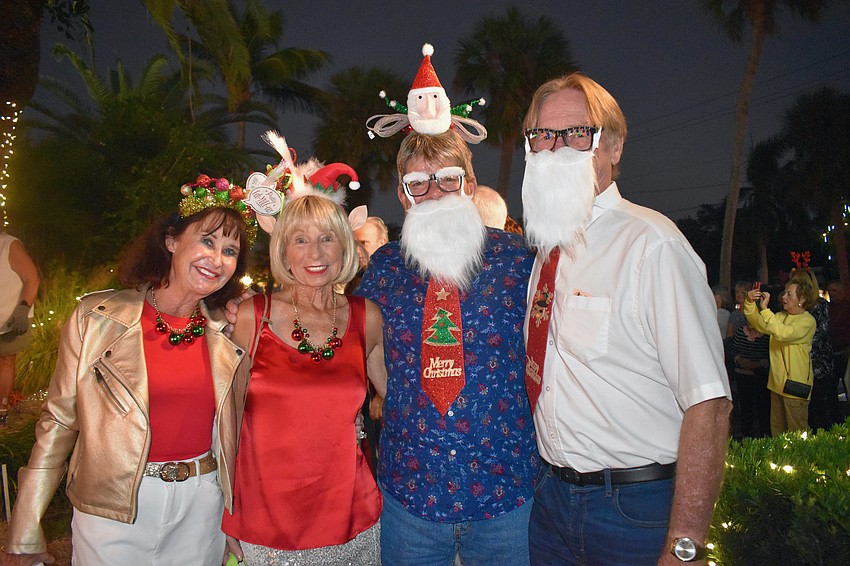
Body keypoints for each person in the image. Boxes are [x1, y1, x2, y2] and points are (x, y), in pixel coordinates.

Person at [520, 72, 732, 565]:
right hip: (549, 500)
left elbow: (710, 404)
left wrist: (685, 547)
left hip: (633, 510)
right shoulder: (545, 252)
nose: (557, 149)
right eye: (543, 135)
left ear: (612, 147)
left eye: (577, 133)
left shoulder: (651, 245)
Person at [2, 174, 255, 566]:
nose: (217, 259)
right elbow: (58, 423)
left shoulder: (230, 334)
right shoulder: (97, 318)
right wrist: (24, 525)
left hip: (202, 509)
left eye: (230, 250)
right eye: (207, 240)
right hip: (112, 511)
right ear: (171, 241)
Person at [355, 129, 537, 565]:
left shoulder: (519, 260)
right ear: (403, 197)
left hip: (506, 492)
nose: (434, 192)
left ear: (470, 185)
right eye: (418, 183)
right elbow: (353, 338)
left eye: (448, 179)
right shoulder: (384, 268)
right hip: (410, 494)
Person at [222, 191, 387, 566]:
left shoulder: (368, 317)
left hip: (352, 517)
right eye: (301, 240)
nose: (315, 253)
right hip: (267, 522)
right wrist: (227, 508)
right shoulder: (252, 316)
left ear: (345, 248)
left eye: (327, 238)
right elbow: (225, 420)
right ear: (283, 251)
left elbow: (401, 399)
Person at [744, 280, 816, 435]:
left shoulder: (807, 321)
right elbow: (758, 323)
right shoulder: (779, 316)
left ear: (802, 298)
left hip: (795, 385)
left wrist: (765, 310)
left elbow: (784, 333)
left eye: (789, 294)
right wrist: (750, 302)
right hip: (777, 384)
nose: (784, 297)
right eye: (784, 293)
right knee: (778, 432)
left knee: (797, 433)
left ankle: (800, 460)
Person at [790, 268, 837, 431]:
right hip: (803, 369)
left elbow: (817, 337)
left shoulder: (818, 307)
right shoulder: (796, 310)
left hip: (818, 368)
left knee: (820, 413)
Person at [0, 231, 39, 427]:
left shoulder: (10, 245)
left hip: (9, 318)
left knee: (6, 361)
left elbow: (32, 279)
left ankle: (2, 410)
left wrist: (23, 309)